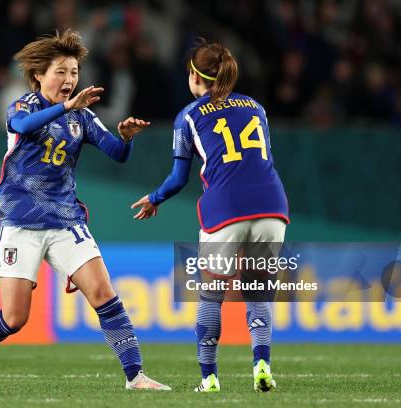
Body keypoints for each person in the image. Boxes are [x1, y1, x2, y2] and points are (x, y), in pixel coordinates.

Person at [0, 29, 170, 391]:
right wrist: (66, 106)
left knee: (103, 292)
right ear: (39, 75)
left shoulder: (82, 118)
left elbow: (117, 154)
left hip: (65, 220)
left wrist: (126, 138)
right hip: (19, 222)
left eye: (74, 72)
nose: (69, 80)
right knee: (15, 317)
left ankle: (136, 377)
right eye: (61, 72)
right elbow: (20, 126)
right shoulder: (23, 106)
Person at [131, 38, 289, 393]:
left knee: (212, 295)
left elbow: (178, 178)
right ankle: (261, 363)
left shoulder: (188, 116)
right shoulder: (256, 107)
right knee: (260, 291)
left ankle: (209, 378)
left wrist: (155, 198)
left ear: (194, 76)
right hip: (272, 207)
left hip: (225, 209)